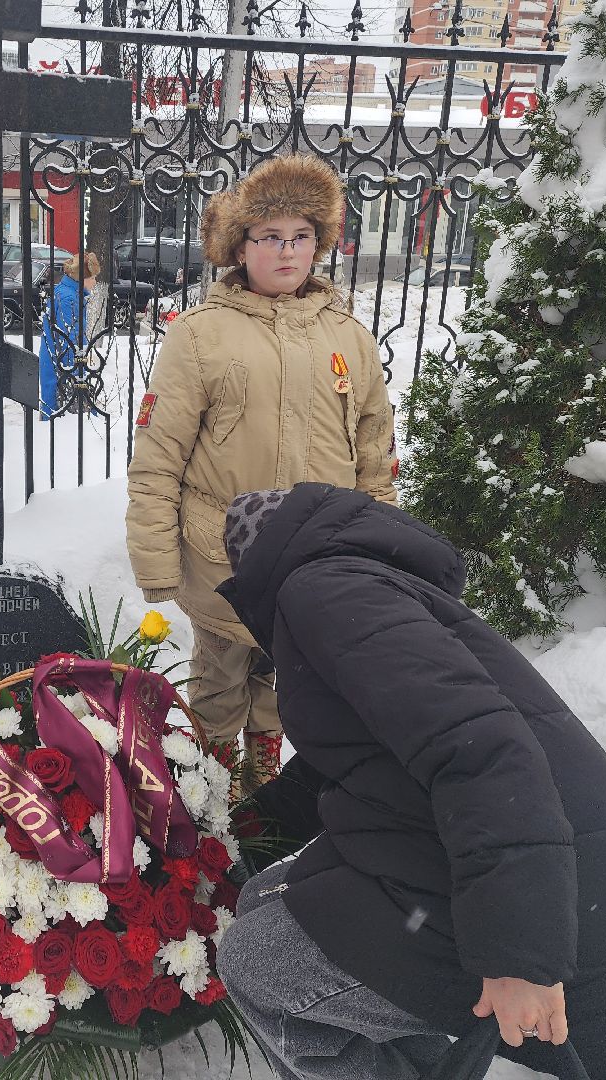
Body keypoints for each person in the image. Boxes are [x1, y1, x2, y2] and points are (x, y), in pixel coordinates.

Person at [213, 484, 606, 1080]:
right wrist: (236, 832)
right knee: (266, 894)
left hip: (553, 899)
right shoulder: (354, 584)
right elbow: (356, 750)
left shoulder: (321, 589)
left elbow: (479, 747)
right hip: (520, 858)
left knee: (257, 962)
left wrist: (521, 955)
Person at [125, 154, 398, 789]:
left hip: (313, 562)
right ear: (240, 248)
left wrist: (381, 549)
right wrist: (158, 563)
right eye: (270, 237)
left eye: (300, 237)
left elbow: (372, 453)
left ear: (319, 244)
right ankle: (216, 799)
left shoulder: (349, 339)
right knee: (218, 685)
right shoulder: (200, 336)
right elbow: (159, 458)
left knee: (286, 686)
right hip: (221, 560)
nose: (286, 252)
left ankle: (264, 796)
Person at [37, 250, 100, 419]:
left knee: (55, 408)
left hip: (57, 358)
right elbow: (68, 338)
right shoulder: (69, 298)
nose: (95, 282)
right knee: (59, 412)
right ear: (82, 279)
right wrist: (77, 370)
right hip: (61, 362)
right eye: (92, 278)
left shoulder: (69, 293)